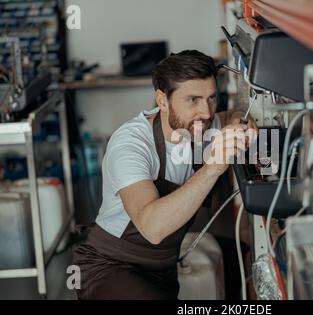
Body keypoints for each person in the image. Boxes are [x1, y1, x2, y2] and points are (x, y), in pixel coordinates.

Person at [72, 50, 256, 299]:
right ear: (162, 100)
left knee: (242, 256)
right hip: (110, 266)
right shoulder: (131, 144)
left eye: (211, 98)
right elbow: (152, 228)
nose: (205, 111)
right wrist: (214, 166)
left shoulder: (199, 124)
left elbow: (228, 117)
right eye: (192, 100)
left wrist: (240, 121)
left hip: (163, 267)